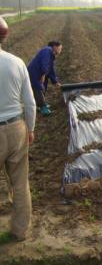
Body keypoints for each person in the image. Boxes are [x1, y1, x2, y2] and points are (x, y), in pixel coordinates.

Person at [0, 16, 36, 242]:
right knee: (20, 183)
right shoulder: (16, 62)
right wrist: (30, 129)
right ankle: (20, 231)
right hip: (16, 128)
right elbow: (30, 103)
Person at [27, 41, 62, 115]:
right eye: (60, 48)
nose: (60, 50)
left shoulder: (51, 54)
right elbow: (44, 64)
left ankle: (40, 104)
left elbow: (51, 69)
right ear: (55, 47)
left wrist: (55, 81)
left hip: (39, 73)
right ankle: (42, 108)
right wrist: (43, 74)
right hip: (34, 73)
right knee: (38, 88)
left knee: (43, 87)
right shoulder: (47, 51)